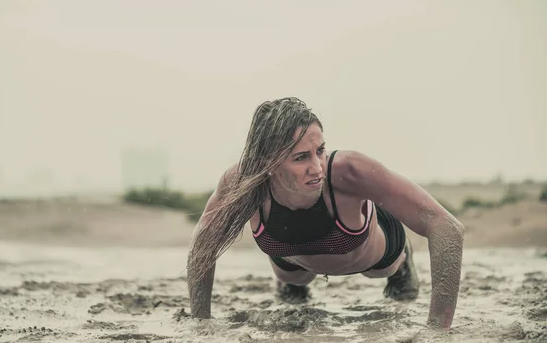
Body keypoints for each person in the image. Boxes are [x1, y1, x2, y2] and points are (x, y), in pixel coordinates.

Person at [186, 97, 464, 330]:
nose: (317, 167)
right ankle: (295, 285)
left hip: (372, 254)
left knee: (384, 273)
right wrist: (200, 324)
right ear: (266, 162)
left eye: (319, 151)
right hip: (293, 262)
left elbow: (445, 226)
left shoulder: (350, 171)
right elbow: (202, 247)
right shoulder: (243, 183)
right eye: (300, 157)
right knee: (292, 287)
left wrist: (437, 330)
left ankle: (403, 263)